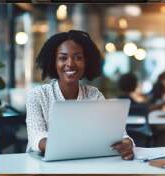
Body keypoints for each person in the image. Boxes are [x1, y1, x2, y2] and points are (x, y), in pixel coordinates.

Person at [25, 30, 134, 160]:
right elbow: (36, 137)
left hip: (85, 164)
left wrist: (128, 143)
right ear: (53, 62)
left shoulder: (94, 95)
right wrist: (76, 146)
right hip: (41, 167)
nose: (70, 63)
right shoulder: (37, 95)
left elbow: (118, 134)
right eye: (63, 58)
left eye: (78, 57)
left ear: (86, 62)